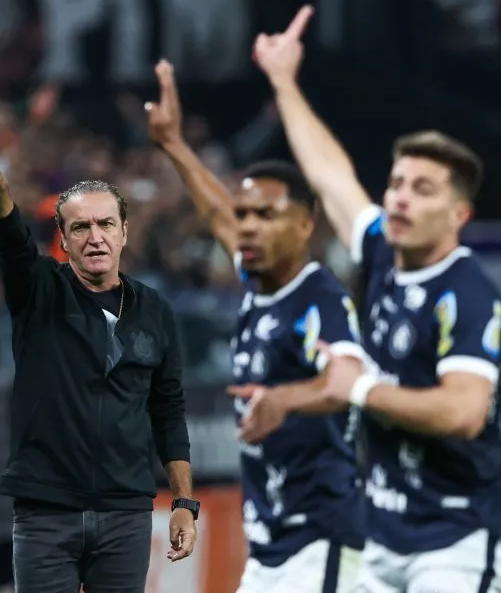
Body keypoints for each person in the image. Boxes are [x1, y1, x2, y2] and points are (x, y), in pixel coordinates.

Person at [253, 5, 501, 593]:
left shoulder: (467, 292)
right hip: (382, 532)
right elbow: (329, 175)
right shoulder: (380, 250)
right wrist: (283, 82)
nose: (398, 198)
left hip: (457, 536)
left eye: (421, 189)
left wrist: (361, 389)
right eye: (397, 183)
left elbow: (464, 411)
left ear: (457, 215)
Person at [147, 59, 365, 593]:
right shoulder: (262, 285)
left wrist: (286, 399)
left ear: (304, 225)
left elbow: (348, 378)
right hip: (271, 543)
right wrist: (174, 144)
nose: (247, 226)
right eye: (245, 215)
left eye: (266, 216)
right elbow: (220, 216)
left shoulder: (318, 299)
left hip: (319, 539)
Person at [0, 141, 197, 593]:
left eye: (106, 224)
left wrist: (185, 500)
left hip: (125, 515)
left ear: (125, 232)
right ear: (64, 239)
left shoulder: (155, 310)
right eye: (81, 227)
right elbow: (13, 245)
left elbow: (168, 411)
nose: (96, 237)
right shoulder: (40, 291)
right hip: (46, 513)